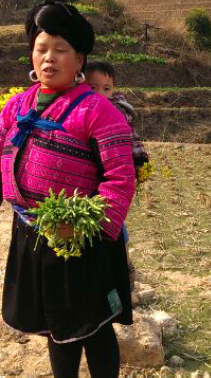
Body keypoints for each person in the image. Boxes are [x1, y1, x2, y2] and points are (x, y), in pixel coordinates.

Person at [0, 1, 136, 378]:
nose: (49, 58)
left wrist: (83, 227)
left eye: (61, 50)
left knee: (93, 325)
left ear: (79, 61)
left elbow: (121, 177)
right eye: (41, 49)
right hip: (31, 234)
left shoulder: (97, 111)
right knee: (56, 326)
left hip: (81, 240)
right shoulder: (17, 106)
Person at [85, 60, 149, 289]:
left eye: (107, 88)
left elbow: (132, 139)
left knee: (113, 222)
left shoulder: (118, 111)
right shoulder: (78, 109)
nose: (101, 94)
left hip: (110, 179)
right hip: (88, 179)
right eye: (93, 88)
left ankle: (126, 268)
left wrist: (138, 161)